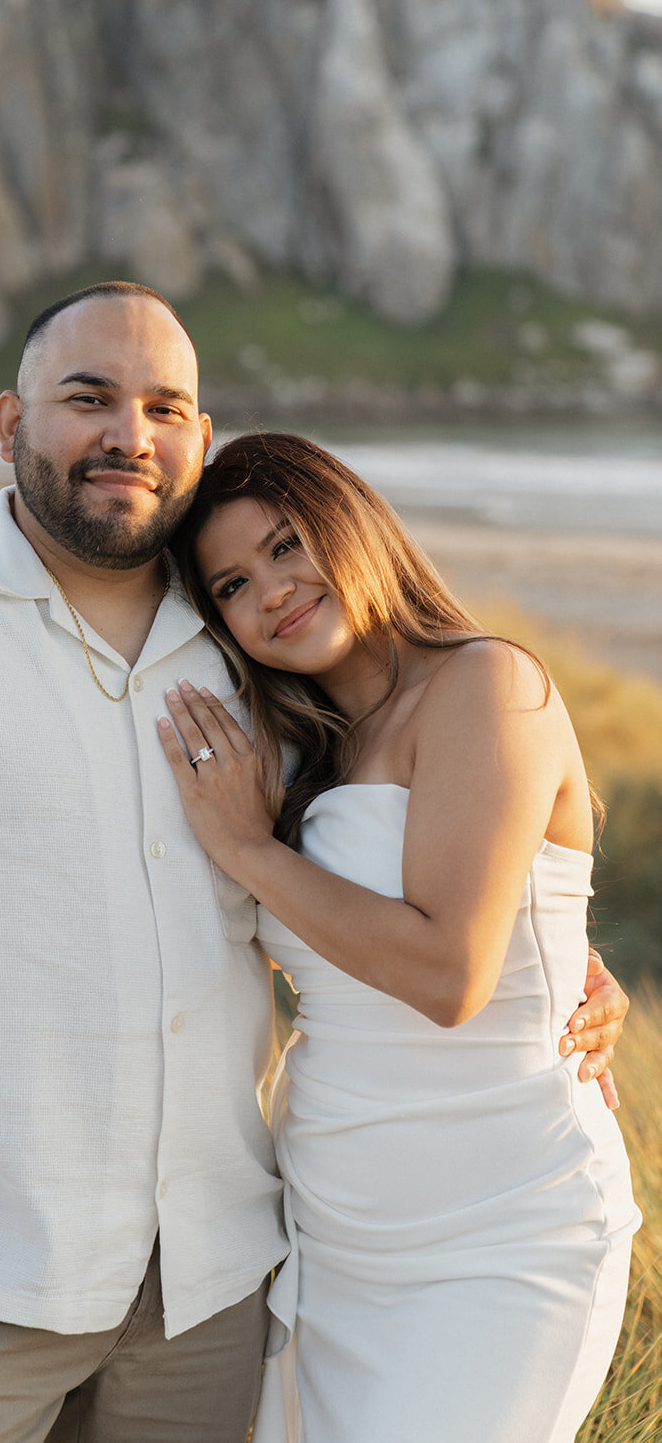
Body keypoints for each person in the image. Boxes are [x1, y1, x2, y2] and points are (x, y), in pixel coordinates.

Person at [0, 284, 626, 1443]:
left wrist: (561, 958)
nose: (128, 433)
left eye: (163, 407)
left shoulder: (255, 667)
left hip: (216, 1288)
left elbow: (439, 871)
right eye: (88, 399)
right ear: (9, 424)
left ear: (198, 436)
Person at [157, 430, 640, 1443]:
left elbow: (448, 975)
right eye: (233, 585)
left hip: (502, 1235)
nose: (273, 592)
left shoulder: (485, 683)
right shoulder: (298, 753)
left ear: (352, 523)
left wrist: (246, 851)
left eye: (286, 545)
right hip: (333, 1235)